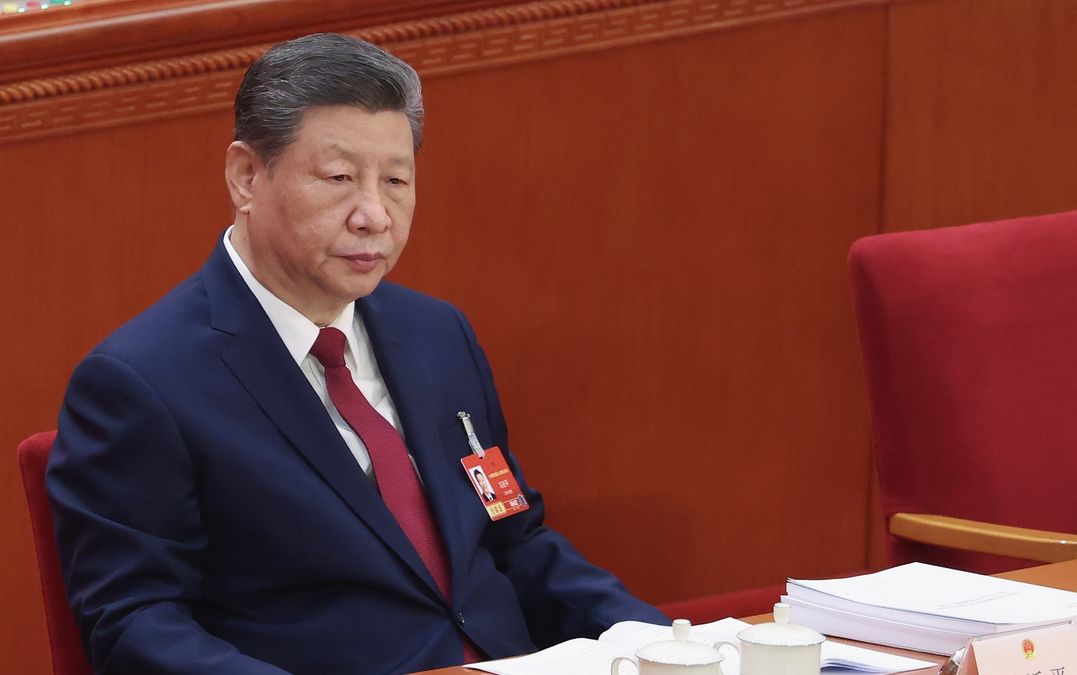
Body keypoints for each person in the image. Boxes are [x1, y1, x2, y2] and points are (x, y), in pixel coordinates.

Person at [46, 32, 666, 675]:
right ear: (246, 176)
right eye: (339, 178)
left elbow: (514, 536)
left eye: (396, 180)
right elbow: (134, 622)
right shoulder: (141, 380)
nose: (374, 214)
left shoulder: (435, 333)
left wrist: (666, 644)